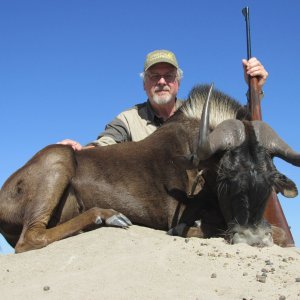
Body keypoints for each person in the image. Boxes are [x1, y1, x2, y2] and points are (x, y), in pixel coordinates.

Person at [59, 49, 268, 150]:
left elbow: (240, 126)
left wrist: (254, 89)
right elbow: (105, 143)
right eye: (154, 76)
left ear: (178, 83)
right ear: (144, 84)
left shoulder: (201, 112)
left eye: (168, 76)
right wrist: (81, 151)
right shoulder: (129, 118)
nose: (161, 81)